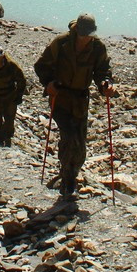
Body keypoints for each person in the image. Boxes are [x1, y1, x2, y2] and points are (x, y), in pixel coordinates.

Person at [33, 14, 114, 200]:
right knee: (68, 137)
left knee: (80, 141)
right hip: (61, 97)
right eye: (84, 33)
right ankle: (68, 182)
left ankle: (71, 173)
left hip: (80, 99)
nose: (87, 37)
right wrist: (48, 83)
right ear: (77, 29)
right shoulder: (61, 43)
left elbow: (102, 71)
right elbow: (41, 66)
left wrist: (105, 84)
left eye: (90, 34)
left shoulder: (97, 47)